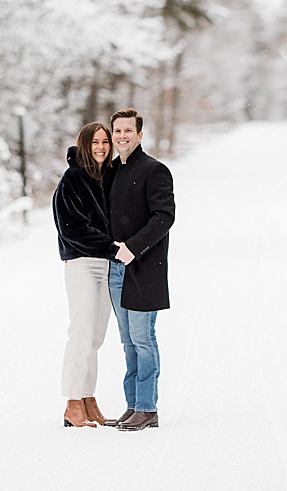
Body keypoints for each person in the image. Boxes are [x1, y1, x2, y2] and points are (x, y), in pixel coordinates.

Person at [104, 107, 175, 431]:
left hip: (145, 267)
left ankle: (148, 407)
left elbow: (164, 217)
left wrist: (133, 248)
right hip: (115, 269)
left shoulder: (154, 170)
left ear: (140, 135)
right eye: (117, 131)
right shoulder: (110, 172)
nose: (122, 136)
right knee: (127, 342)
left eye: (128, 131)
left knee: (143, 339)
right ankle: (132, 405)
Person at [53, 121, 121, 428]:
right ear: (84, 144)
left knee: (95, 336)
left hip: (108, 265)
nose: (101, 147)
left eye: (105, 142)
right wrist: (110, 246)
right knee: (80, 333)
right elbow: (72, 228)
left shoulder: (109, 176)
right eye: (95, 142)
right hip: (82, 263)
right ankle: (71, 402)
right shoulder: (72, 179)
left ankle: (87, 397)